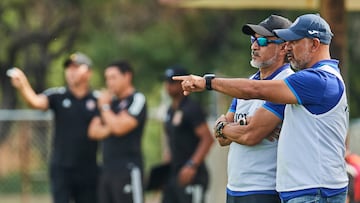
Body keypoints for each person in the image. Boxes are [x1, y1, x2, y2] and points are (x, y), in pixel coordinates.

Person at [174, 13, 349, 203]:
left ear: (315, 44)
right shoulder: (313, 79)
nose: (289, 47)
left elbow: (252, 115)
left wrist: (207, 83)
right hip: (305, 190)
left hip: (313, 191)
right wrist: (238, 127)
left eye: (294, 41)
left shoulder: (317, 80)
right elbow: (236, 129)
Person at [216, 15, 293, 203]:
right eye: (253, 40)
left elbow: (251, 136)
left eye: (263, 41)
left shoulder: (286, 83)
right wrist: (240, 126)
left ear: (284, 47)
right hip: (234, 187)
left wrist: (226, 126)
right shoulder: (248, 84)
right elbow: (221, 140)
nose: (254, 46)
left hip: (265, 189)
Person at [9, 52, 99, 203]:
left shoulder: (97, 99)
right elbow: (36, 102)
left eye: (76, 68)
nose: (71, 72)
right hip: (61, 167)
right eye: (68, 68)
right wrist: (23, 85)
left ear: (88, 72)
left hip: (88, 169)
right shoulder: (58, 95)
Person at [88, 60, 147, 203]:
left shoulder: (136, 99)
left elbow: (120, 128)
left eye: (113, 77)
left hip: (128, 170)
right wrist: (114, 123)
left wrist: (105, 110)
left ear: (127, 76)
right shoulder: (111, 102)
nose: (109, 83)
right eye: (107, 78)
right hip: (107, 170)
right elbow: (93, 131)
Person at [161, 66, 214, 203]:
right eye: (166, 82)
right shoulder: (170, 111)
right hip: (173, 174)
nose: (168, 86)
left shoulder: (191, 108)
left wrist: (192, 165)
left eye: (172, 82)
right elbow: (169, 139)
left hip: (192, 174)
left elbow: (207, 139)